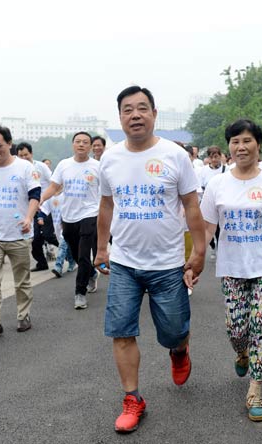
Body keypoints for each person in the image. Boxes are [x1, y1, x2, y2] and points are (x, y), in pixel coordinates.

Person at [94, 86, 206, 434]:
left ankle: (179, 351)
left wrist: (199, 251)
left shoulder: (175, 155)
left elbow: (191, 205)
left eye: (142, 108)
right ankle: (133, 399)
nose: (136, 115)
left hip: (168, 263)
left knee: (173, 331)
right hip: (125, 263)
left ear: (154, 114)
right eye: (128, 110)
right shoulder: (110, 159)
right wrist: (101, 248)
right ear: (120, 118)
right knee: (121, 332)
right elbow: (106, 206)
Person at [200, 119, 262, 422]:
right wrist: (194, 259)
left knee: (261, 325)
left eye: (246, 140)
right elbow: (207, 228)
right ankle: (241, 352)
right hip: (232, 267)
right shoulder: (217, 184)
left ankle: (255, 388)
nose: (240, 146)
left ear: (258, 145)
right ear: (229, 146)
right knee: (236, 328)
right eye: (235, 141)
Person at [0, 125, 41, 342]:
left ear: (9, 144)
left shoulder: (24, 168)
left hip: (19, 234)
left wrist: (29, 217)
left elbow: (35, 195)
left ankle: (23, 315)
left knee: (22, 279)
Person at [41, 132, 100, 309]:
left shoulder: (98, 166)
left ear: (90, 146)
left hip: (90, 213)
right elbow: (53, 186)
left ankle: (80, 293)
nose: (81, 144)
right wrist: (41, 200)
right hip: (68, 216)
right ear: (73, 145)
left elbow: (106, 193)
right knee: (74, 254)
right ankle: (91, 273)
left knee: (83, 255)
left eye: (85, 142)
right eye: (78, 142)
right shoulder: (64, 165)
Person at [16, 142, 59, 271]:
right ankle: (42, 263)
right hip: (30, 208)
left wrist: (50, 201)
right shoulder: (17, 170)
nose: (24, 158)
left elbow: (53, 184)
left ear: (31, 154)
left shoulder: (41, 167)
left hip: (45, 206)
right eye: (20, 156)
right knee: (34, 239)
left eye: (26, 155)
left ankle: (67, 252)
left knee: (48, 235)